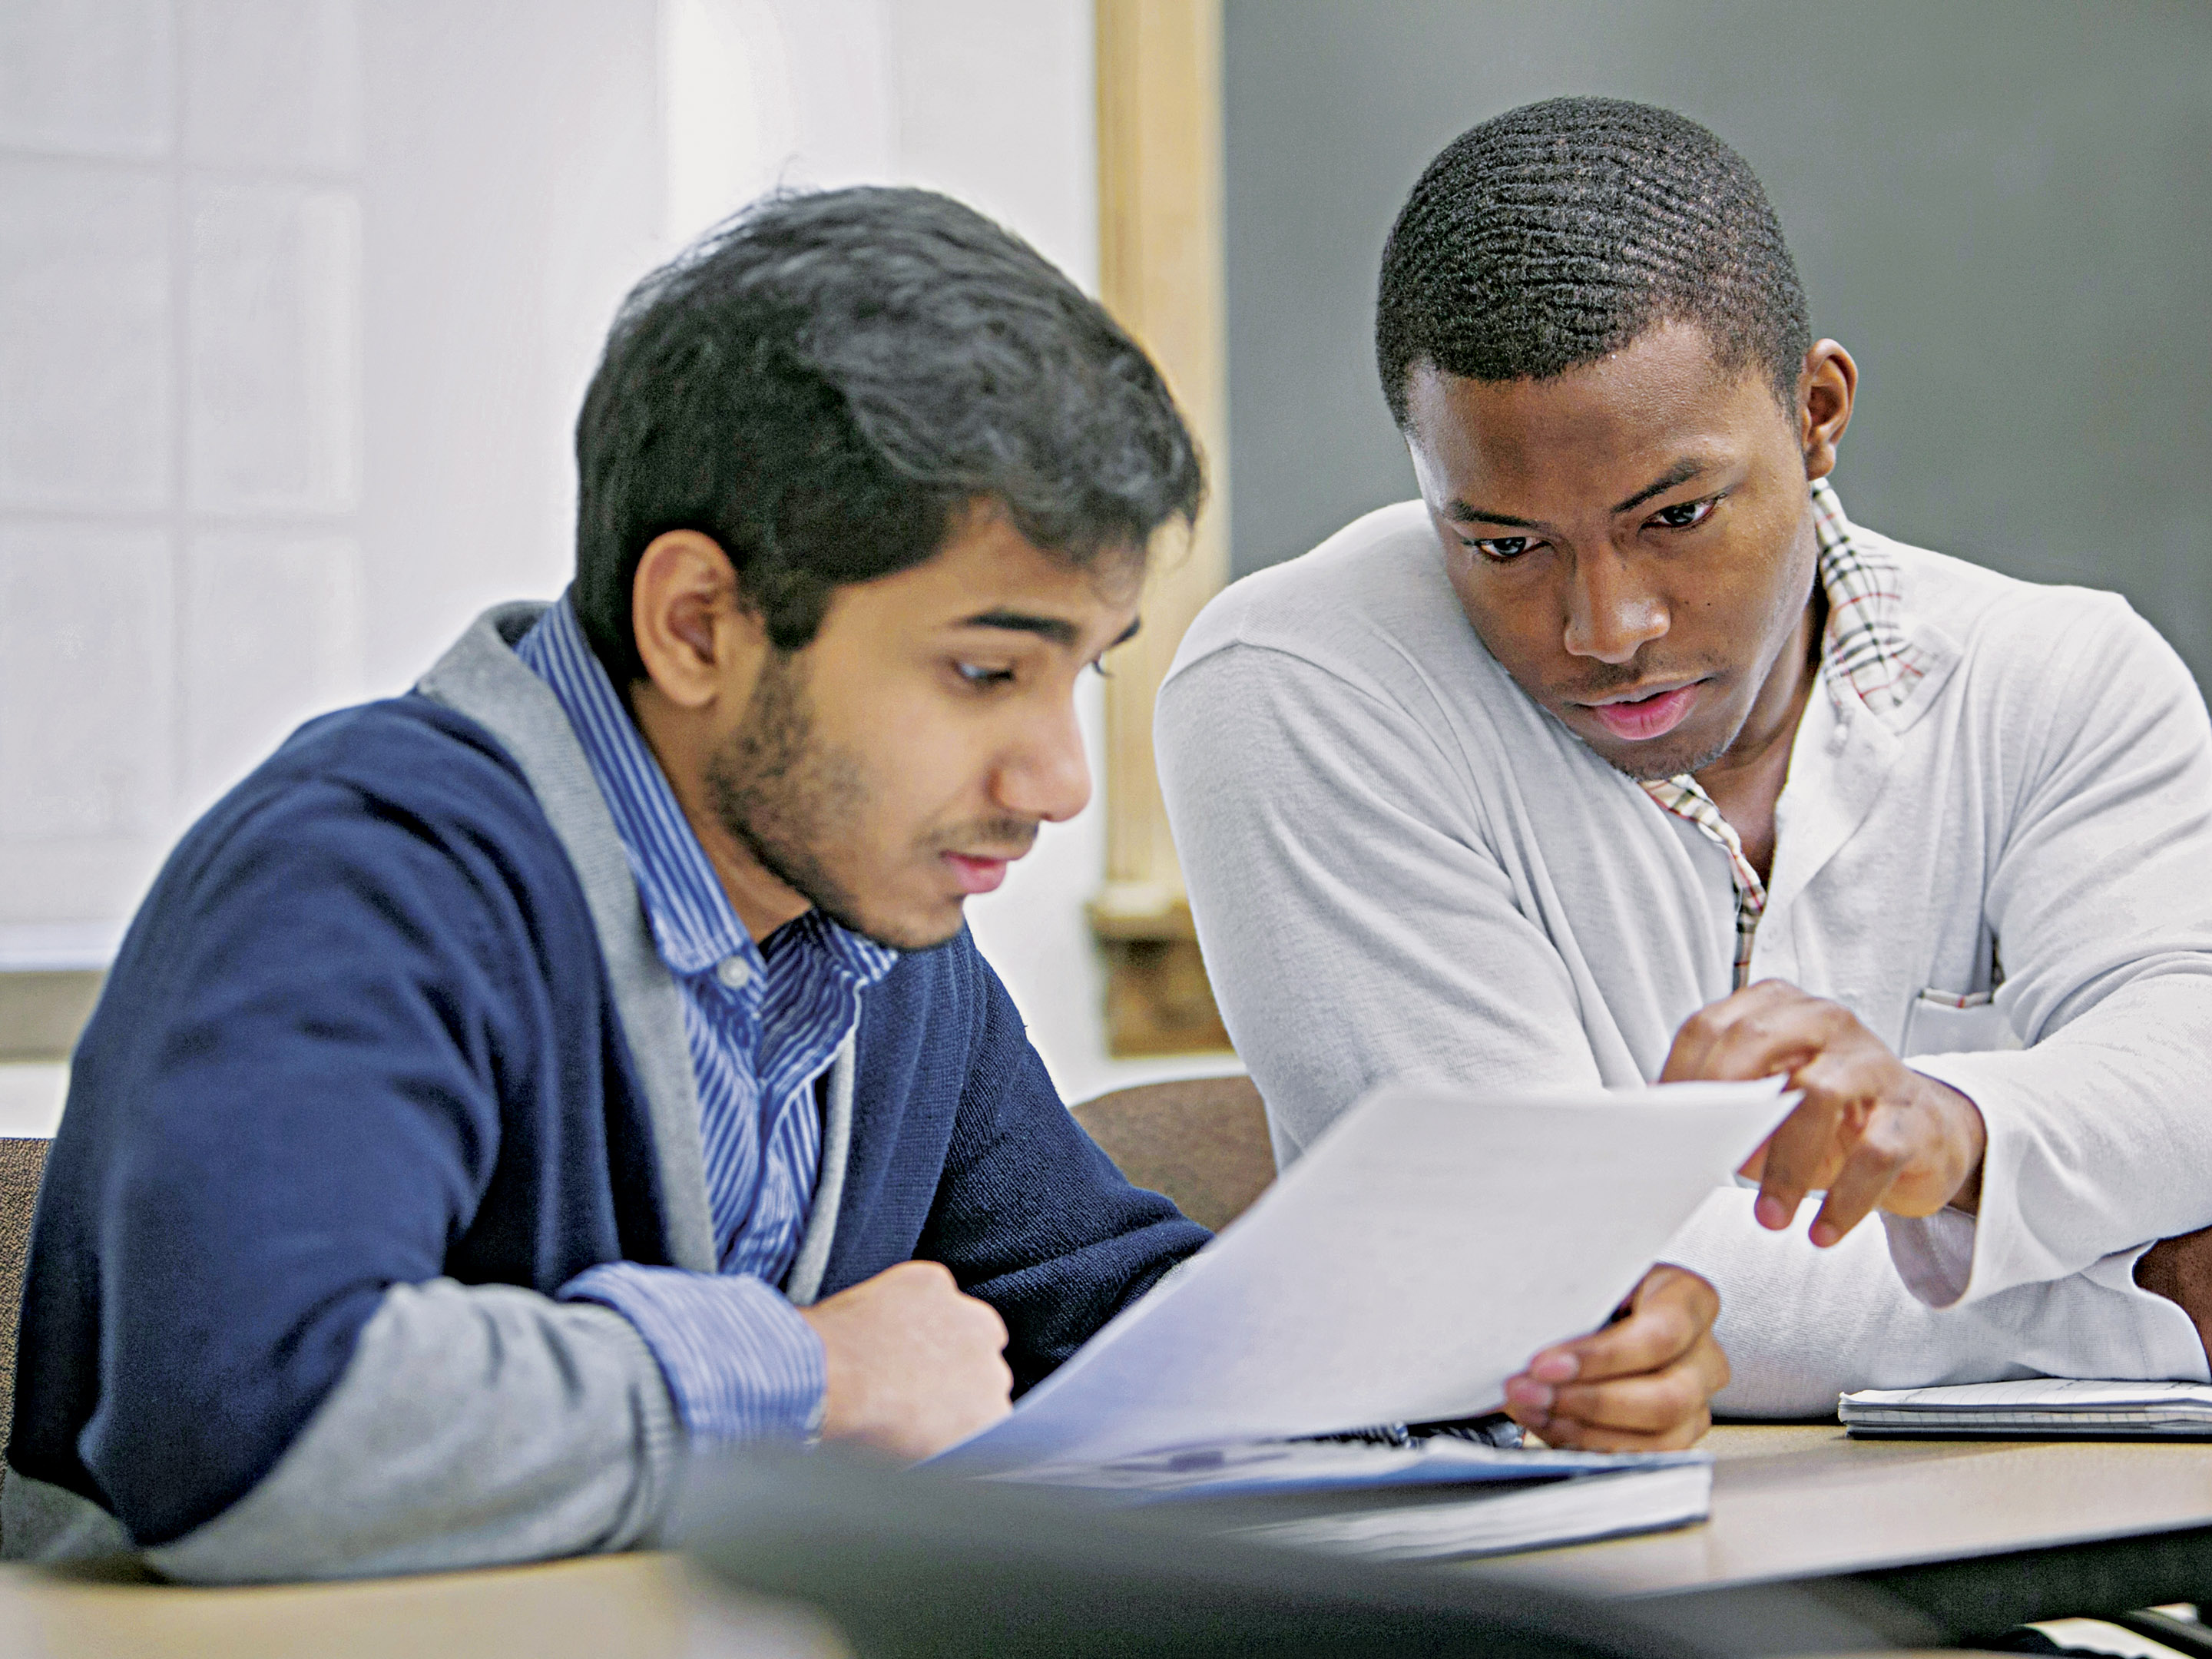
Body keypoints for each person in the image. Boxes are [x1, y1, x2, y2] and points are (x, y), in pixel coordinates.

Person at [3, 188, 1227, 1581]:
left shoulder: (880, 938)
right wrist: (807, 1374)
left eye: (1086, 673)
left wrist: (1467, 1377)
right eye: (985, 673)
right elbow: (251, 1424)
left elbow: (1114, 1317)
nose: (1060, 780)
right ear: (698, 624)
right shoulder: (361, 872)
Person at [1158, 98, 2212, 1445]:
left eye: (1677, 517)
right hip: (1541, 1576)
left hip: (1987, 1529)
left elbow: (2184, 1061)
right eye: (1503, 546)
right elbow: (1535, 1266)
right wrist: (2159, 1306)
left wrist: (1947, 1127)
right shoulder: (1300, 688)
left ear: (1819, 411)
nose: (1609, 629)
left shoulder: (2062, 675)